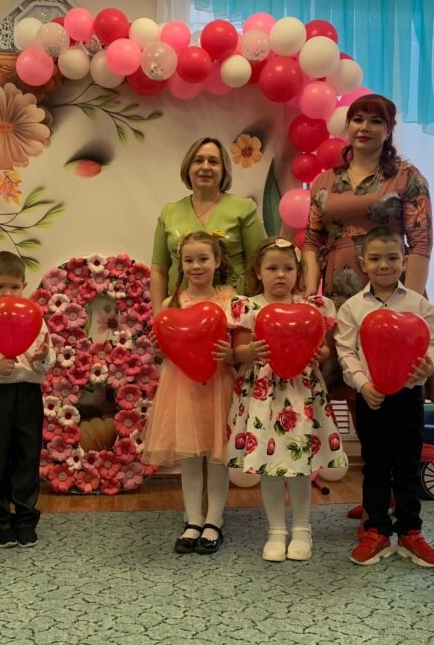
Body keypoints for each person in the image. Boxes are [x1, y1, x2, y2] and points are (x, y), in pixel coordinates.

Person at [302, 93, 434, 521]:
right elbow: (312, 240)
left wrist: (409, 307)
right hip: (340, 296)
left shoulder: (407, 177)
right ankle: (378, 489)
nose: (364, 127)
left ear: (388, 129)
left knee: (397, 390)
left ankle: (399, 489)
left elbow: (420, 242)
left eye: (375, 121)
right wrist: (311, 297)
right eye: (357, 119)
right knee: (358, 389)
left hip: (393, 294)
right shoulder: (325, 180)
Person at [229, 237, 347, 562]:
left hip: (300, 394)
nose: (280, 275)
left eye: (287, 268)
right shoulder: (249, 307)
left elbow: (324, 350)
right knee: (269, 466)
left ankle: (302, 529)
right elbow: (237, 352)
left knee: (300, 462)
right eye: (272, 268)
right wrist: (250, 351)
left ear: (298, 272)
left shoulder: (310, 308)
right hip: (263, 395)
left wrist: (319, 354)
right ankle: (276, 531)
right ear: (258, 272)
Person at [335, 227, 434, 568]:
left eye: (393, 258)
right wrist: (362, 384)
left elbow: (432, 346)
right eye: (376, 259)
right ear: (363, 263)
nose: (384, 265)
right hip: (372, 398)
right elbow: (346, 352)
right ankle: (377, 531)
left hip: (408, 397)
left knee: (408, 466)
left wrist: (428, 367)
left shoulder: (418, 304)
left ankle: (410, 531)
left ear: (404, 261)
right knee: (376, 466)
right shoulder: (352, 307)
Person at [142, 231, 235, 555]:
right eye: (189, 260)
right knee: (190, 456)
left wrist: (230, 353)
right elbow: (166, 351)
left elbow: (236, 349)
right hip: (181, 387)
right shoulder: (171, 304)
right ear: (180, 264)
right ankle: (193, 519)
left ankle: (214, 519)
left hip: (218, 385)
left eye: (203, 259)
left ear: (217, 261)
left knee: (217, 455)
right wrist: (159, 347)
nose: (196, 266)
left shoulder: (229, 302)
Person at [0, 251, 54, 549]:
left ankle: (26, 519)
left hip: (28, 395)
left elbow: (49, 357)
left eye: (14, 287)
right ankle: (1, 520)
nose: (7, 293)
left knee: (27, 457)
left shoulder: (35, 317)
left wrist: (44, 356)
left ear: (24, 286)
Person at [150, 137, 266, 313]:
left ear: (224, 170)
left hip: (232, 313)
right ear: (188, 167)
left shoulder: (244, 209)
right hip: (181, 312)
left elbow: (259, 265)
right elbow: (159, 270)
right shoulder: (169, 212)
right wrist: (158, 317)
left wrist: (253, 314)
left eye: (213, 162)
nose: (205, 167)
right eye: (198, 161)